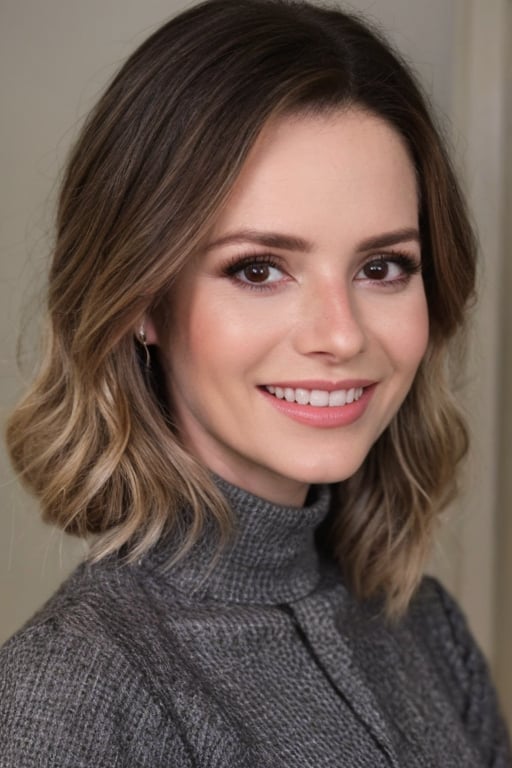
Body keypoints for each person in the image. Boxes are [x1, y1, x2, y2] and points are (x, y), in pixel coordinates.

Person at [0, 0, 510, 765]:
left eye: (382, 267)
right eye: (258, 269)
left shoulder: (426, 629)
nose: (339, 334)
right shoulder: (74, 691)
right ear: (142, 300)